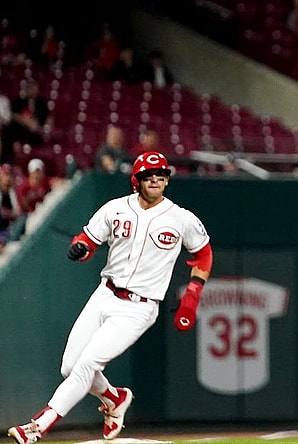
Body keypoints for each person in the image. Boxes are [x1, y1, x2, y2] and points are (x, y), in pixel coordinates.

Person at [7, 152, 212, 444]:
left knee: (88, 364)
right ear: (137, 180)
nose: (155, 179)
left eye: (161, 174)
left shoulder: (181, 218)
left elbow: (203, 252)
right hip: (105, 293)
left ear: (167, 179)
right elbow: (87, 241)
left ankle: (38, 426)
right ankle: (114, 398)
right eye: (148, 174)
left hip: (139, 307)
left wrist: (193, 294)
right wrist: (80, 247)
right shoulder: (115, 209)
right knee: (70, 366)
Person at [1, 80, 51, 166]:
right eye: (29, 88)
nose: (31, 90)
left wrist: (44, 128)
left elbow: (48, 118)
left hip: (36, 132)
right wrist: (27, 122)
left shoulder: (41, 103)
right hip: (21, 131)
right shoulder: (18, 101)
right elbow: (13, 116)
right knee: (9, 131)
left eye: (33, 88)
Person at [0, 163, 22, 252]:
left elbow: (19, 213)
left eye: (9, 175)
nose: (7, 179)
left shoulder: (15, 193)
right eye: (5, 175)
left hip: (11, 229)